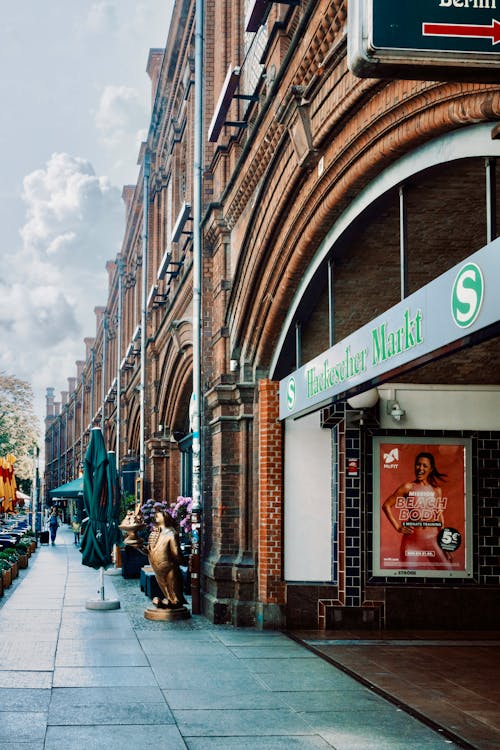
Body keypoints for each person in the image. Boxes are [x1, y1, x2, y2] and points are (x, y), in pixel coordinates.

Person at [382, 451, 451, 568]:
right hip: (412, 541)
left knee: (448, 570)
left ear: (431, 469)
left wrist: (445, 545)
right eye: (418, 464)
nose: (420, 468)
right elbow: (386, 505)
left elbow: (439, 517)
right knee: (407, 575)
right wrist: (398, 527)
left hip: (433, 539)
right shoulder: (408, 487)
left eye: (425, 466)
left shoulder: (436, 490)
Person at [147, 508, 186, 609]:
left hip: (169, 566)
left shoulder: (171, 533)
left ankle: (174, 601)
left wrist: (183, 561)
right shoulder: (155, 533)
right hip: (158, 568)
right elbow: (149, 550)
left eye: (158, 515)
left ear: (165, 517)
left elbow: (176, 552)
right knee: (166, 588)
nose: (156, 516)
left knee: (173, 588)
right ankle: (168, 600)